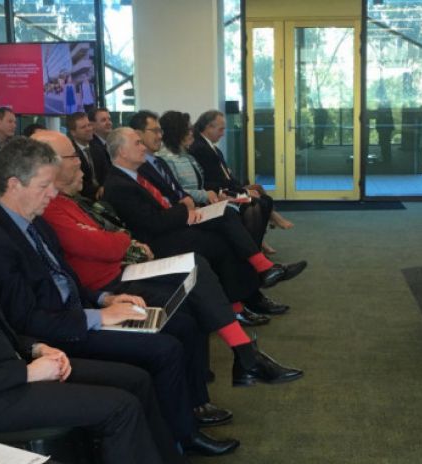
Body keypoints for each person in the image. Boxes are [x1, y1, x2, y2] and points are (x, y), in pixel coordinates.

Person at [0, 157, 236, 464]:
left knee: (135, 381)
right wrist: (29, 370)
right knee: (121, 406)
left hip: (11, 366)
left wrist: (35, 348)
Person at [0, 136, 239, 457]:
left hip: (77, 313)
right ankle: (182, 441)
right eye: (44, 186)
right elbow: (26, 319)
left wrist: (105, 300)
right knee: (165, 349)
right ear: (14, 184)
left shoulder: (31, 221)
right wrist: (97, 317)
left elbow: (66, 280)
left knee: (178, 324)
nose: (53, 193)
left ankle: (183, 424)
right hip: (59, 336)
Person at [38, 129, 303, 389]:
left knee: (211, 248)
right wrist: (124, 240)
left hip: (127, 261)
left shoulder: (69, 201)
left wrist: (121, 238)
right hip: (119, 272)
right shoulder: (61, 203)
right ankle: (245, 347)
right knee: (200, 263)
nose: (81, 163)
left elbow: (113, 234)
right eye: (73, 157)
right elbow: (111, 240)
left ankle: (243, 348)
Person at [103, 128, 306, 305]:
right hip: (157, 242)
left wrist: (186, 210)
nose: (142, 147)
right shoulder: (119, 184)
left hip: (172, 225)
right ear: (122, 151)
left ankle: (257, 278)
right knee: (221, 241)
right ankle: (252, 285)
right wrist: (185, 212)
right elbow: (152, 223)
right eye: (137, 143)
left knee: (225, 217)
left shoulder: (136, 175)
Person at [158, 111, 290, 316]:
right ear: (178, 132)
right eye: (188, 128)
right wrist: (212, 194)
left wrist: (219, 195)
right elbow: (180, 192)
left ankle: (249, 291)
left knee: (236, 222)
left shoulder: (185, 155)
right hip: (188, 214)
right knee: (232, 225)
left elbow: (201, 185)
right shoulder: (167, 159)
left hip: (199, 206)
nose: (192, 131)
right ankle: (257, 276)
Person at [188, 110, 294, 241]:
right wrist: (243, 191)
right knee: (256, 203)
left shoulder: (211, 147)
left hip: (226, 189)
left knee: (259, 194)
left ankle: (257, 245)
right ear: (209, 127)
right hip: (219, 194)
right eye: (221, 129)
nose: (223, 134)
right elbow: (215, 181)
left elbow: (226, 176)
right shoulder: (201, 148)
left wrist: (243, 189)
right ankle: (255, 247)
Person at [66, 112, 109, 199]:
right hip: (82, 198)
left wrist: (104, 187)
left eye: (89, 125)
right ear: (73, 132)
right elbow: (73, 180)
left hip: (104, 194)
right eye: (83, 127)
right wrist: (96, 192)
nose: (89, 129)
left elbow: (107, 172)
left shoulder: (98, 148)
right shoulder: (69, 152)